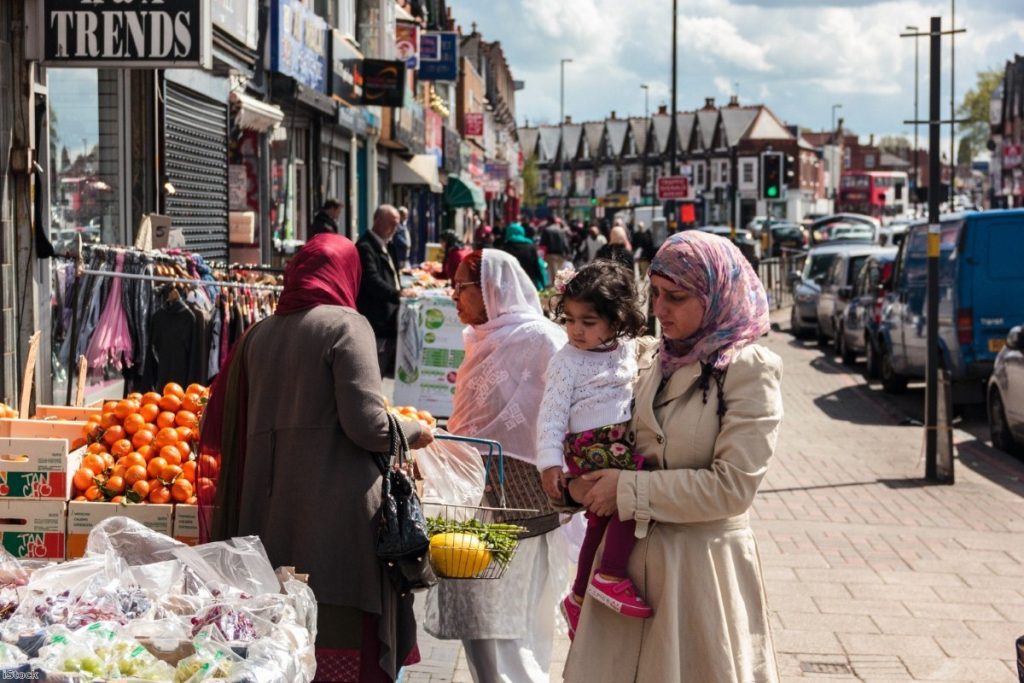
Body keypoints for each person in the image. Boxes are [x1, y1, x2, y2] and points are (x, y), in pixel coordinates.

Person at [199, 233, 435, 682]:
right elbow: (368, 424)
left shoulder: (257, 335)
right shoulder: (346, 325)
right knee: (341, 642)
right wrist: (417, 430)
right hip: (336, 528)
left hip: (266, 522)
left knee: (280, 646)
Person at [562, 230, 783, 682]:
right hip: (623, 578)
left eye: (675, 297)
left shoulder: (747, 370)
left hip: (697, 578)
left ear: (715, 294)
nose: (659, 310)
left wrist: (626, 490)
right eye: (655, 294)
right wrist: (574, 484)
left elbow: (732, 488)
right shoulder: (647, 357)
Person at [425, 249, 570, 683]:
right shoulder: (481, 339)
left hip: (524, 506)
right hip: (475, 502)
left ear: (493, 290)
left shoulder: (542, 339)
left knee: (514, 623)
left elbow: (564, 417)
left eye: (462, 286)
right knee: (478, 620)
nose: (453, 296)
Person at [535, 261, 649, 640]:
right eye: (569, 320)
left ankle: (579, 595)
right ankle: (611, 575)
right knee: (635, 492)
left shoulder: (628, 347)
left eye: (588, 322)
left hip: (617, 438)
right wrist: (550, 464)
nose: (576, 331)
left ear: (617, 322)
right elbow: (550, 417)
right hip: (591, 446)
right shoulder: (566, 361)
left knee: (600, 522)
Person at [356, 205, 403, 378]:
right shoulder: (365, 247)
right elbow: (372, 281)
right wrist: (398, 294)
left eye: (397, 224)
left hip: (389, 318)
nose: (395, 229)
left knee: (381, 370)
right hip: (376, 319)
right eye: (391, 223)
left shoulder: (388, 245)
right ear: (378, 221)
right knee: (372, 372)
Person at [501, 222, 546, 290]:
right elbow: (536, 267)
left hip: (513, 286)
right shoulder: (530, 246)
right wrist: (543, 283)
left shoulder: (505, 248)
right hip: (530, 283)